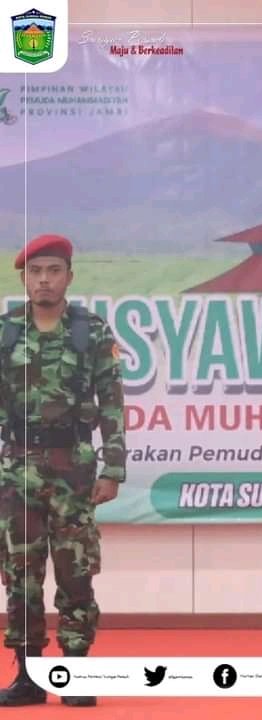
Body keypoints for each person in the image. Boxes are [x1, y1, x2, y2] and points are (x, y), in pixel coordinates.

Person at [0, 234, 126, 707]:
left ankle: (73, 672)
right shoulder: (6, 331)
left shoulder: (90, 331)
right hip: (17, 470)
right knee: (21, 574)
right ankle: (29, 675)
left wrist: (113, 468)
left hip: (73, 468)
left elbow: (111, 402)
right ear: (24, 279)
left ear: (69, 277)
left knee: (75, 572)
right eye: (35, 272)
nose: (44, 280)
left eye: (53, 271)